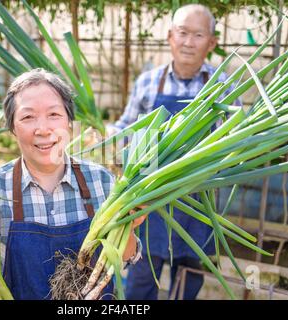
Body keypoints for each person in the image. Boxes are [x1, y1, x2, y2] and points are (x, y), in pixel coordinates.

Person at [0, 68, 143, 300]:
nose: (43, 129)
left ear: (69, 122)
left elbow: (126, 257)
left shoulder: (102, 182)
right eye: (27, 117)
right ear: (13, 128)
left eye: (54, 115)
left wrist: (129, 227)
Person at [108, 4, 240, 300]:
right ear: (170, 36)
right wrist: (106, 137)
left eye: (198, 35)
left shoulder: (222, 88)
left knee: (188, 281)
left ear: (212, 42)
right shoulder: (147, 82)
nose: (189, 42)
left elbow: (236, 143)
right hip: (149, 203)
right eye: (182, 33)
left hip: (199, 204)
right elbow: (126, 129)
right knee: (140, 281)